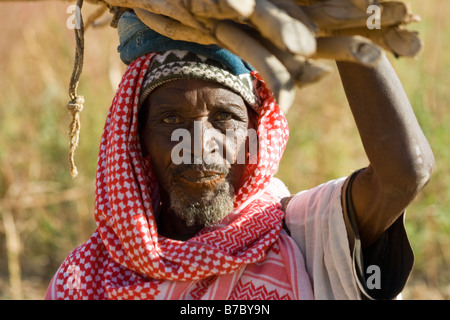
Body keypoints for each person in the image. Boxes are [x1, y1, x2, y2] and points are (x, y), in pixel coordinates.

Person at [45, 12, 434, 300]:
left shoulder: (304, 233)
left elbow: (403, 174)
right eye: (169, 119)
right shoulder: (89, 276)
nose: (200, 144)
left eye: (224, 118)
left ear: (255, 134)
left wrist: (346, 27)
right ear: (138, 141)